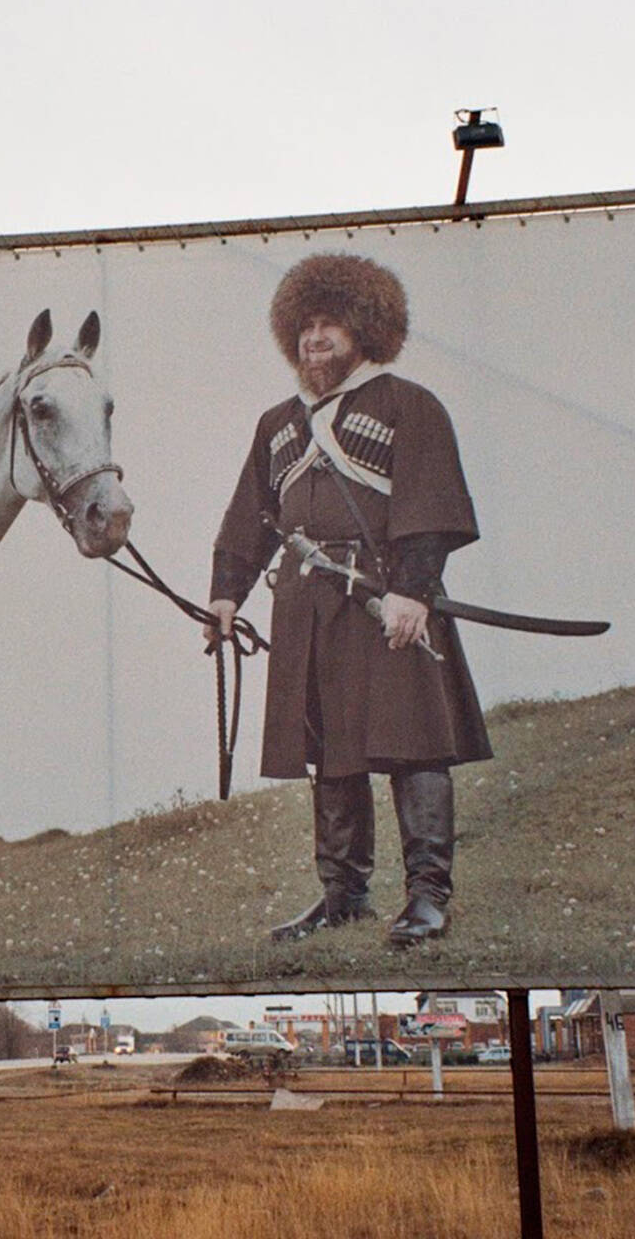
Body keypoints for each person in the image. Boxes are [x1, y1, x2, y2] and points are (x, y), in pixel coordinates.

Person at [206, 253, 491, 946]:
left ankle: (428, 896)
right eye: (305, 328)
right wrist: (225, 595)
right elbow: (252, 516)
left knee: (415, 746)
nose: (315, 339)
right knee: (331, 754)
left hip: (385, 599)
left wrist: (412, 592)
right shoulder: (278, 422)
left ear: (365, 329)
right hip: (307, 608)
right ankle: (343, 896)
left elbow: (432, 501)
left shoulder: (409, 405)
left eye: (330, 324)